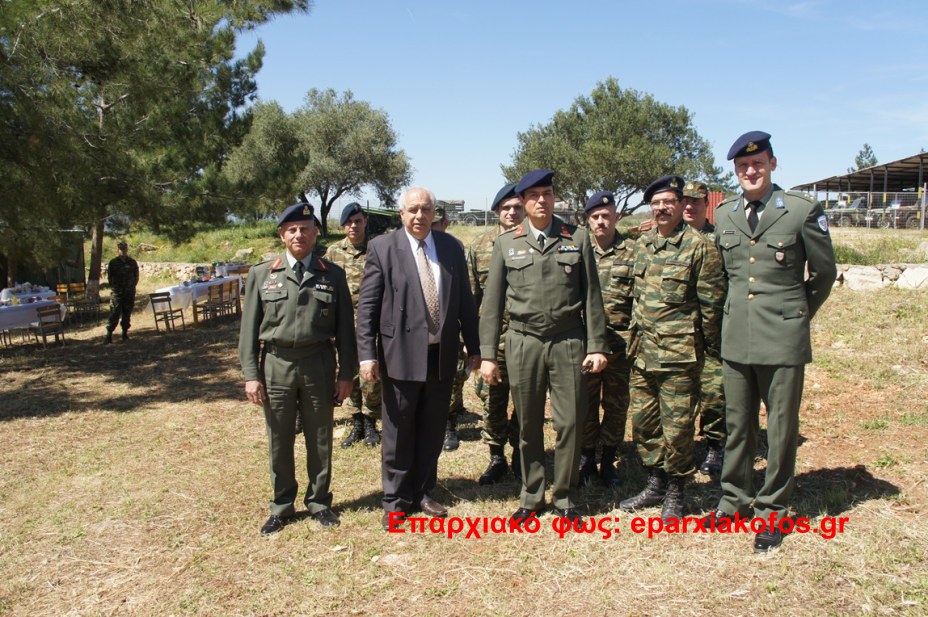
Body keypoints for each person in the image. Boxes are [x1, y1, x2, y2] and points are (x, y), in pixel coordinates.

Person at [703, 131, 837, 552]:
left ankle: (773, 510)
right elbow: (725, 277)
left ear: (773, 164)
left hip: (782, 337)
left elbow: (824, 273)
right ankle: (734, 500)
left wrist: (796, 315)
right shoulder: (724, 216)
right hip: (736, 336)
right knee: (738, 425)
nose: (750, 171)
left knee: (779, 428)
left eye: (758, 163)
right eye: (743, 167)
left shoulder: (799, 210)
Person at [479, 169, 608, 526]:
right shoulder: (507, 243)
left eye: (547, 193)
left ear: (554, 197)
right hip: (523, 342)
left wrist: (596, 345)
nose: (541, 200)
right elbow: (492, 305)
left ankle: (565, 497)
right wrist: (488, 355)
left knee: (569, 422)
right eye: (533, 195)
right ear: (522, 201)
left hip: (568, 340)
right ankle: (532, 495)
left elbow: (592, 296)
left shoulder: (576, 238)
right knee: (528, 423)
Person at [356, 187, 480, 530]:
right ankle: (395, 501)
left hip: (441, 357)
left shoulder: (452, 248)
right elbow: (367, 308)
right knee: (398, 431)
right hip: (399, 356)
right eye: (413, 209)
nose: (419, 215)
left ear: (435, 213)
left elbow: (466, 304)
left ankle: (424, 490)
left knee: (431, 427)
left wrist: (475, 347)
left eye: (426, 209)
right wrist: (367, 355)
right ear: (401, 214)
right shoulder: (383, 248)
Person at [238, 203, 357, 536]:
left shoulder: (332, 274)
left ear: (315, 232)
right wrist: (251, 375)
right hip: (276, 365)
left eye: (305, 228)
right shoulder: (262, 273)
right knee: (279, 438)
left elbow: (346, 330)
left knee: (320, 438)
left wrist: (345, 374)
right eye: (291, 229)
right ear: (282, 235)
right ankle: (282, 504)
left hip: (319, 363)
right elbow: (248, 329)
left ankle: (319, 502)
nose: (298, 235)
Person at [618, 175, 726, 522]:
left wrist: (710, 352)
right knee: (645, 426)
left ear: (682, 206)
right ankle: (655, 483)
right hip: (642, 352)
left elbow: (711, 305)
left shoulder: (699, 248)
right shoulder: (643, 244)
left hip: (680, 356)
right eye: (657, 203)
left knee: (678, 430)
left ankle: (678, 491)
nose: (662, 208)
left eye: (669, 202)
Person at [578, 191, 635, 489]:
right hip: (586, 344)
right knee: (585, 404)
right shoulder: (577, 249)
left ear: (616, 217)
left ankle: (608, 460)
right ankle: (587, 459)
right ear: (588, 220)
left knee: (616, 405)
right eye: (595, 217)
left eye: (606, 215)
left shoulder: (633, 251)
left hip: (621, 345)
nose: (601, 221)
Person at [469, 182, 525, 484]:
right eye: (506, 208)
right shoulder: (479, 246)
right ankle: (496, 456)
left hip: (524, 337)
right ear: (496, 212)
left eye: (518, 207)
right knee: (492, 400)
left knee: (524, 400)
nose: (513, 213)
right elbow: (471, 296)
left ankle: (520, 455)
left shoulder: (532, 242)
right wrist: (472, 343)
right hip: (493, 341)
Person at [325, 202, 382, 448]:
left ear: (365, 221)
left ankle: (371, 423)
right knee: (349, 372)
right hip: (344, 324)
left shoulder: (378, 248)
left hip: (371, 324)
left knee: (371, 375)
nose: (353, 226)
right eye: (348, 222)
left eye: (358, 221)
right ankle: (356, 419)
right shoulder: (333, 252)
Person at [681, 180, 727, 477]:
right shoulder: (670, 235)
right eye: (684, 200)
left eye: (695, 201)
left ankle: (715, 445)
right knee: (683, 393)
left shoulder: (720, 237)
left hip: (713, 326)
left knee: (714, 391)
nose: (689, 206)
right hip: (681, 331)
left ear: (705, 203)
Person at [431, 206, 466, 452]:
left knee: (454, 376)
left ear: (446, 223)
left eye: (439, 223)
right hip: (425, 329)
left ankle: (449, 424)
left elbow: (464, 289)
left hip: (450, 324)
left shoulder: (455, 247)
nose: (435, 227)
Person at [104, 241, 139, 344]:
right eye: (121, 249)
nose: (123, 251)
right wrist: (116, 289)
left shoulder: (132, 262)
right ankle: (109, 335)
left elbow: (136, 276)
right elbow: (110, 278)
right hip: (117, 293)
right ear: (118, 250)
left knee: (127, 313)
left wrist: (131, 287)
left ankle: (124, 333)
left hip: (129, 292)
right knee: (114, 313)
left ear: (127, 250)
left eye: (124, 249)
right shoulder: (113, 262)